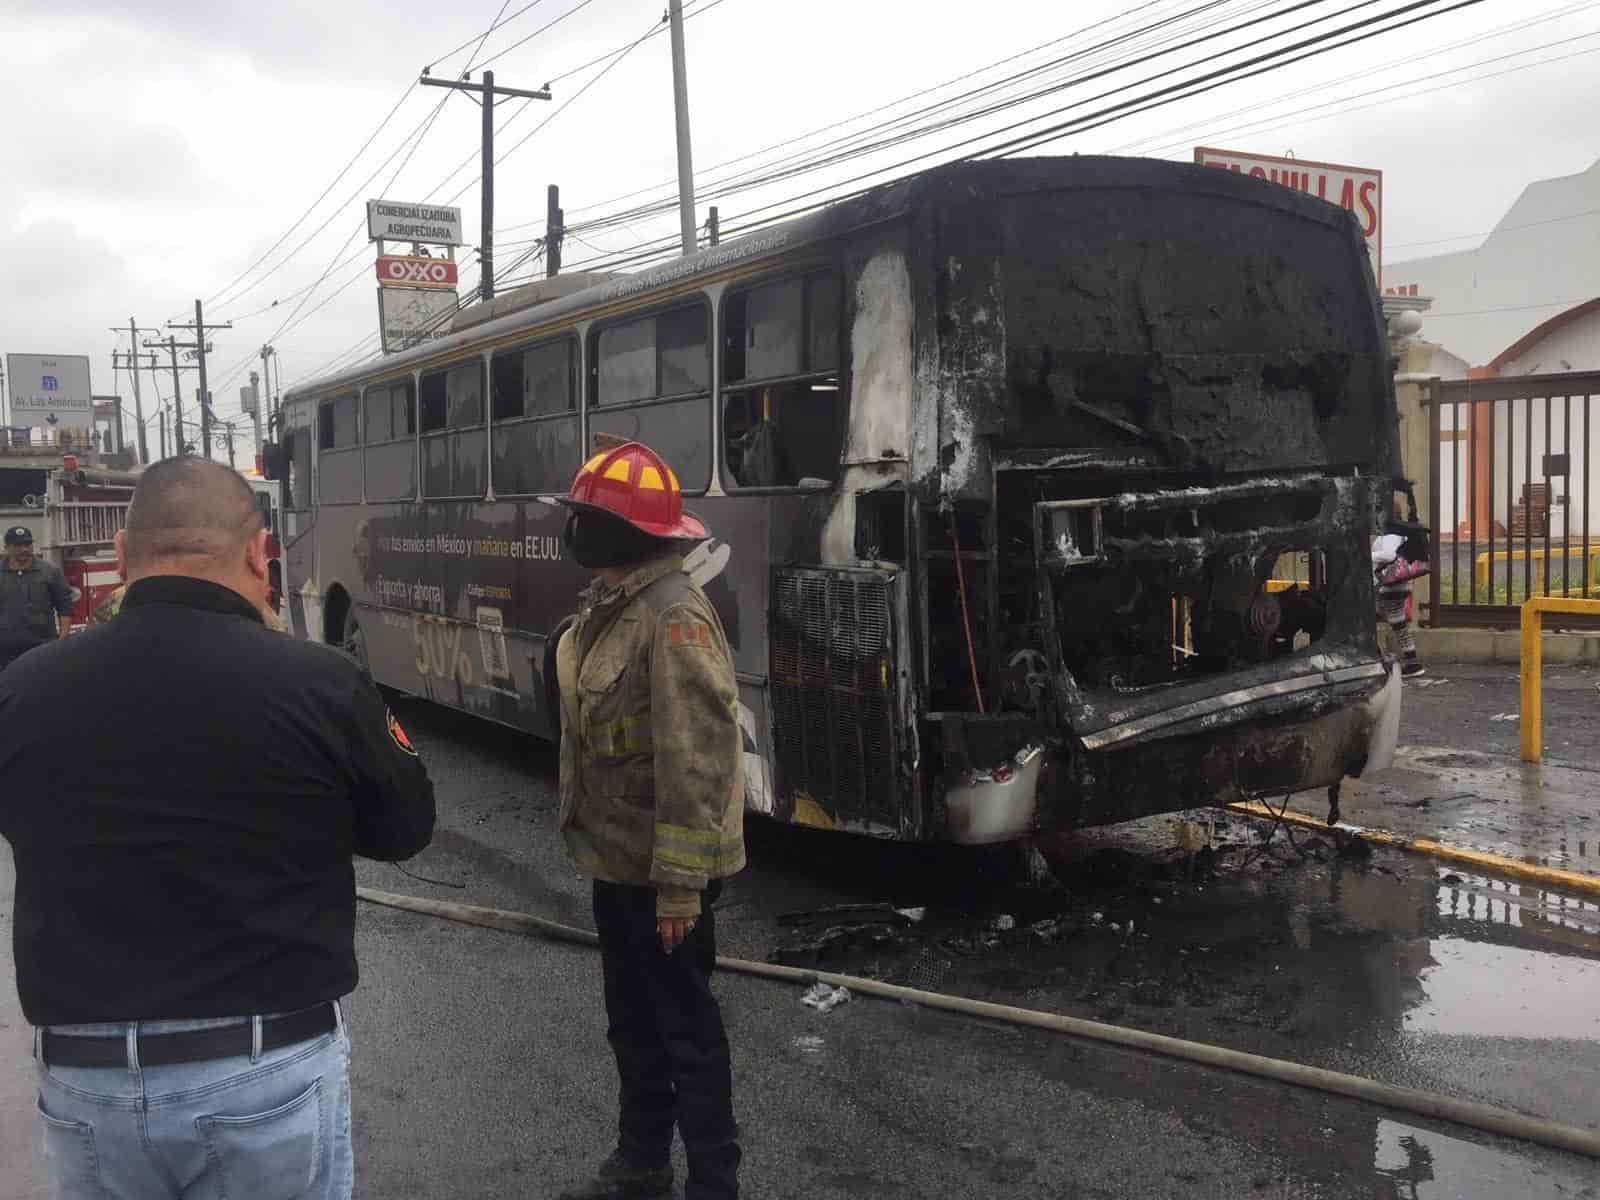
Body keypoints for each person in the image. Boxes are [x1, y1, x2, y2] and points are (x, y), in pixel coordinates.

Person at [0, 456, 435, 1200]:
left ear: (119, 558)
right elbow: (404, 829)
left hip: (86, 1078)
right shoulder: (320, 683)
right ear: (257, 552)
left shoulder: (22, 688)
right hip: (261, 1069)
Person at [554, 440, 746, 1200]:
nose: (572, 532)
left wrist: (679, 889)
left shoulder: (672, 618)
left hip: (665, 876)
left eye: (582, 519)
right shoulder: (614, 607)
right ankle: (640, 1162)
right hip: (617, 859)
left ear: (612, 534)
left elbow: (698, 759)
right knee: (632, 1024)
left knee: (686, 1034)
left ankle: (712, 1183)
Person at [0, 525, 74, 671]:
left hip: (42, 649)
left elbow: (65, 607)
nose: (25, 549)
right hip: (5, 652)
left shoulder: (50, 572)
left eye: (28, 544)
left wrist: (62, 640)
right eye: (18, 545)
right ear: (6, 548)